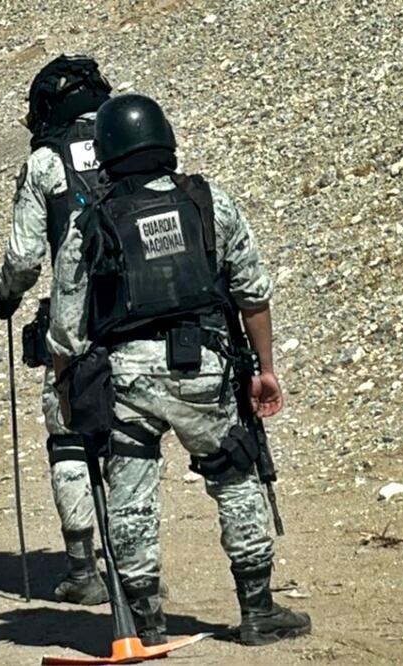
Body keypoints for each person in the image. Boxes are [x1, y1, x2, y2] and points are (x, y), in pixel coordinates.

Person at [47, 93, 312, 645]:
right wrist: (265, 369)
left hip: (126, 383)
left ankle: (143, 622)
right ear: (165, 141)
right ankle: (258, 610)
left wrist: (71, 394)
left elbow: (67, 333)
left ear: (108, 153)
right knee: (236, 478)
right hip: (205, 373)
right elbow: (253, 294)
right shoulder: (210, 203)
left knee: (131, 496)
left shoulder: (88, 222)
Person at [0, 54, 113, 605]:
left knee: (68, 436)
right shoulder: (134, 143)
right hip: (146, 315)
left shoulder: (46, 162)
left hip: (76, 322)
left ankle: (82, 569)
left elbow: (23, 257)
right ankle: (133, 565)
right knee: (131, 442)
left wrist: (7, 296)